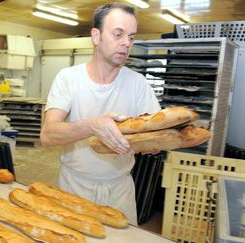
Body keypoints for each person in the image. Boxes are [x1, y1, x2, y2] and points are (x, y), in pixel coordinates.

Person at [39, 2, 160, 225]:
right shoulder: (69, 79)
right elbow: (47, 135)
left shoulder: (138, 84)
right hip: (75, 187)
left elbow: (155, 139)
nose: (126, 43)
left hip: (120, 189)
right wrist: (93, 126)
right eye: (118, 34)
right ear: (96, 36)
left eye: (131, 37)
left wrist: (155, 141)